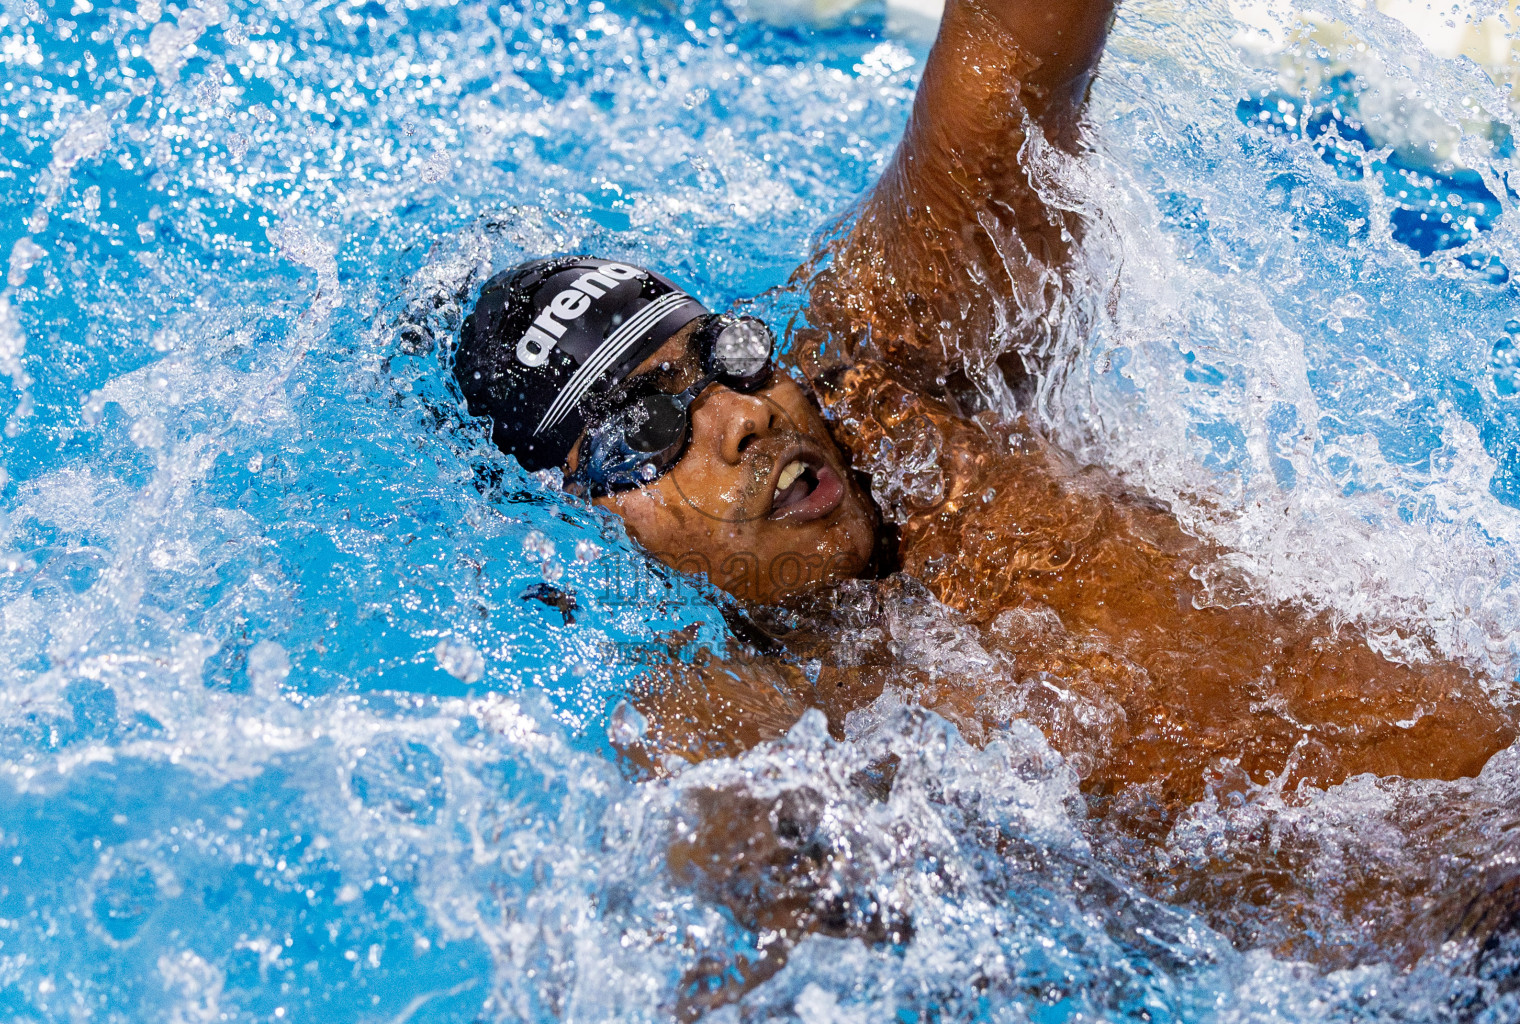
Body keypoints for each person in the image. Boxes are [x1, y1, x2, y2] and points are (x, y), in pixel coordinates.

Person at [452, 0, 1516, 1001]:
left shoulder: (896, 385)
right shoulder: (715, 718)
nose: (742, 418)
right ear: (582, 524)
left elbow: (1014, 43)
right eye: (650, 427)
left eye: (724, 358)